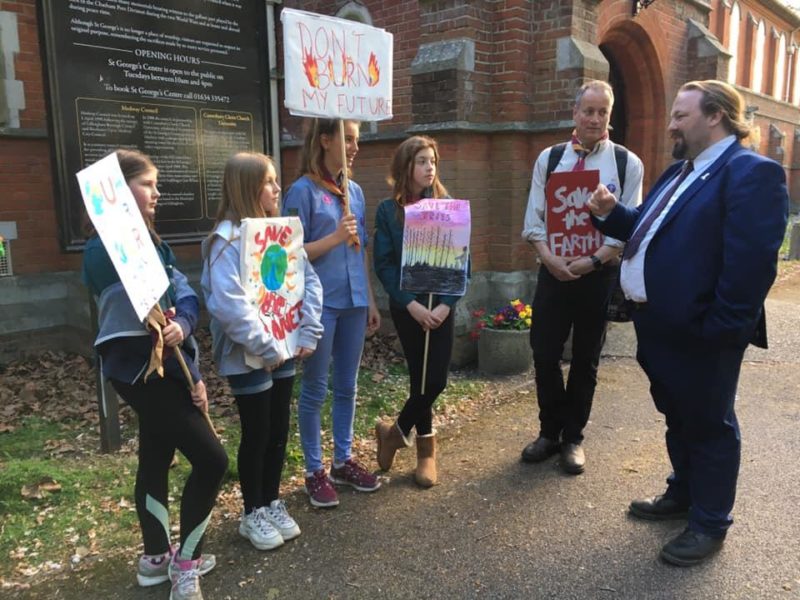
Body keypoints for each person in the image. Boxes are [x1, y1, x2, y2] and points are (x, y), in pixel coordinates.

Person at [588, 80, 788, 566]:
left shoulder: (751, 174)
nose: (672, 123)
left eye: (680, 115)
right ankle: (684, 494)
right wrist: (614, 215)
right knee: (679, 417)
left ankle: (710, 522)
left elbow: (751, 267)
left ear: (715, 115)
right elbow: (648, 228)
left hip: (703, 335)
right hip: (659, 327)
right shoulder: (681, 171)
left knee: (710, 424)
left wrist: (718, 333)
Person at [82, 149, 227, 600]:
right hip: (138, 373)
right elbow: (121, 287)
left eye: (155, 184)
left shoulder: (158, 246)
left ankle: (155, 558)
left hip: (171, 370)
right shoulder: (101, 250)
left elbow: (185, 297)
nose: (157, 192)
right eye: (147, 184)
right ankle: (187, 562)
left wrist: (183, 329)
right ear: (121, 192)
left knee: (157, 452)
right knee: (213, 460)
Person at [520, 80, 644, 474]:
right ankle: (549, 431)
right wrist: (548, 258)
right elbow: (533, 218)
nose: (594, 118)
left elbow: (631, 226)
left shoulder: (626, 163)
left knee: (586, 359)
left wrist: (594, 260)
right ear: (574, 113)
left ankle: (573, 438)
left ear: (609, 115)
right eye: (587, 111)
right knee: (543, 352)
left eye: (602, 112)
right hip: (553, 272)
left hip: (597, 275)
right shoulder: (550, 158)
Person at [201, 153, 323, 549]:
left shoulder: (281, 234)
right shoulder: (227, 240)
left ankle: (272, 499)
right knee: (256, 432)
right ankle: (251, 511)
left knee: (277, 429)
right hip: (249, 355)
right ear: (248, 187)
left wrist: (306, 331)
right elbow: (229, 305)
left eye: (276, 181)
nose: (276, 189)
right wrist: (267, 347)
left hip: (283, 349)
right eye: (269, 182)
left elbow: (307, 281)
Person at [282, 118, 382, 507]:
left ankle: (342, 460)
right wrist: (335, 237)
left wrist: (371, 301)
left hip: (355, 302)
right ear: (325, 140)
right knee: (315, 389)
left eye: (357, 139)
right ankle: (313, 469)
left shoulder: (353, 191)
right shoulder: (301, 192)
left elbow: (361, 249)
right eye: (349, 138)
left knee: (347, 385)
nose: (356, 146)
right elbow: (291, 253)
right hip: (319, 305)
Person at [373, 135, 463, 487]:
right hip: (408, 307)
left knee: (436, 380)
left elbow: (461, 265)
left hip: (440, 306)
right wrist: (410, 303)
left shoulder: (449, 207)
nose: (430, 168)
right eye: (422, 161)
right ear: (406, 166)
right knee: (419, 378)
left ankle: (394, 433)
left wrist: (445, 305)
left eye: (433, 161)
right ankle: (426, 453)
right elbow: (383, 264)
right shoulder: (388, 211)